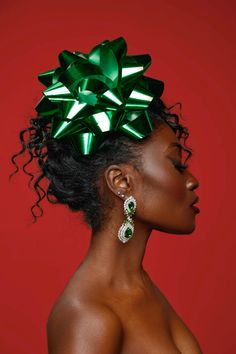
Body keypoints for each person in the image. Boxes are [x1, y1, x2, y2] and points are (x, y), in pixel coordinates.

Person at [9, 37, 202, 353]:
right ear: (121, 182)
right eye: (177, 165)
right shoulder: (88, 316)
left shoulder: (139, 289)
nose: (192, 181)